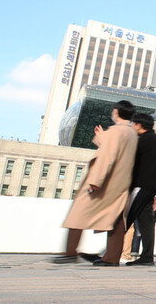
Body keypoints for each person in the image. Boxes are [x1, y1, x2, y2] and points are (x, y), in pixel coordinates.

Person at [54, 100, 138, 266]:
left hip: (105, 181)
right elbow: (118, 150)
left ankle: (70, 252)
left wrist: (95, 181)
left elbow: (107, 156)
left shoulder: (116, 131)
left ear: (116, 112)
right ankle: (112, 257)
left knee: (77, 214)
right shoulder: (132, 133)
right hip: (120, 182)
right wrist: (102, 137)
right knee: (115, 219)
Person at [122, 113, 156, 266]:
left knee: (125, 217)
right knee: (146, 222)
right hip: (150, 187)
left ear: (139, 125)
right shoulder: (155, 140)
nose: (132, 126)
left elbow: (131, 162)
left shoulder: (145, 140)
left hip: (141, 186)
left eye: (133, 124)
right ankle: (147, 257)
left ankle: (109, 253)